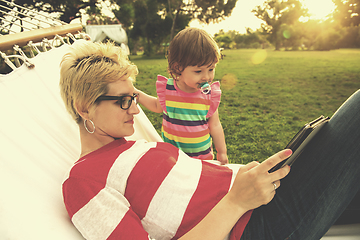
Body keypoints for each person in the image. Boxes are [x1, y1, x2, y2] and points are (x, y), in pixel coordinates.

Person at [60, 40, 360, 240]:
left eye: (134, 97)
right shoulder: (84, 180)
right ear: (84, 106)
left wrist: (245, 179)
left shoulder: (132, 145)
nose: (137, 109)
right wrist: (236, 200)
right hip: (256, 226)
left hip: (262, 198)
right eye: (124, 101)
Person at [136, 28, 228, 164]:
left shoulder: (208, 95)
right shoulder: (168, 89)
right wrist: (136, 94)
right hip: (174, 158)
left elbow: (215, 125)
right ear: (178, 67)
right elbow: (156, 106)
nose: (207, 77)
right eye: (198, 71)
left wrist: (222, 152)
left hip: (202, 159)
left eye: (211, 69)